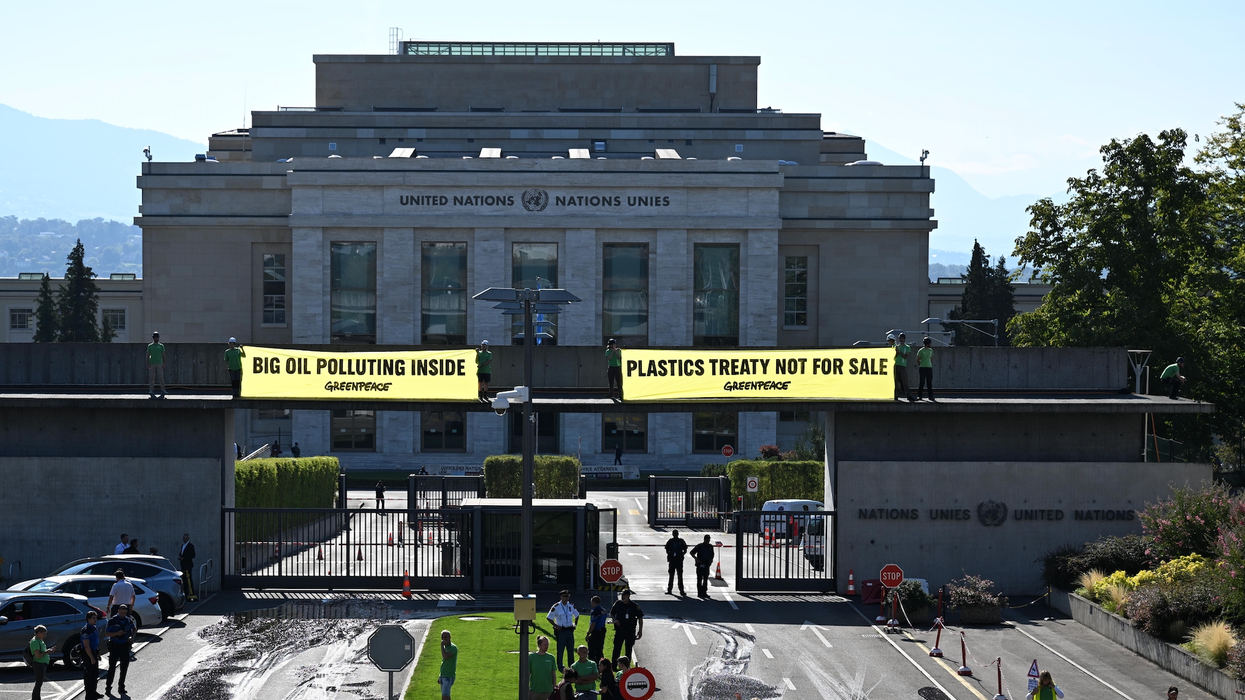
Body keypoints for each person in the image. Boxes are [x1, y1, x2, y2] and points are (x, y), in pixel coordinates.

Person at [104, 604, 135, 697]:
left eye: (124, 613)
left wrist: (132, 637)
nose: (123, 615)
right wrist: (117, 633)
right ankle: (108, 688)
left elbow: (133, 628)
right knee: (112, 668)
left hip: (125, 645)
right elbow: (107, 633)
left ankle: (121, 687)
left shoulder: (128, 620)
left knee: (124, 668)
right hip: (115, 645)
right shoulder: (113, 620)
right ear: (118, 611)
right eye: (121, 613)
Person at [546, 589, 579, 671]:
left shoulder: (571, 605)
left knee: (570, 649)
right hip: (561, 631)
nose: (567, 598)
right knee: (560, 649)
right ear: (561, 597)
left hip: (570, 630)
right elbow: (549, 617)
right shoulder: (556, 607)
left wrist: (575, 624)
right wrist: (555, 625)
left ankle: (571, 665)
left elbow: (577, 615)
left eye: (568, 596)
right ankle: (560, 666)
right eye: (565, 596)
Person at [609, 589, 643, 663]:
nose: (623, 597)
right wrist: (615, 620)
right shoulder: (618, 604)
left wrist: (640, 631)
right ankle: (614, 665)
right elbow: (612, 613)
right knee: (617, 648)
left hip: (630, 630)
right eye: (622, 595)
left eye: (624, 595)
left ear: (628, 596)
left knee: (628, 649)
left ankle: (626, 666)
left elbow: (640, 618)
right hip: (620, 629)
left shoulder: (634, 606)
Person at [29, 625, 55, 700]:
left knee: (39, 683)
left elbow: (42, 651)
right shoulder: (35, 642)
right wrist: (47, 652)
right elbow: (37, 655)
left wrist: (49, 650)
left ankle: (37, 698)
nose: (45, 635)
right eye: (44, 634)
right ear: (39, 633)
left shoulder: (39, 640)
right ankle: (35, 698)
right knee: (38, 683)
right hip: (38, 664)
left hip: (41, 663)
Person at [528, 635, 557, 700]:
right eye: (545, 645)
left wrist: (554, 688)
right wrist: (527, 689)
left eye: (547, 644)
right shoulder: (531, 657)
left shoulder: (551, 658)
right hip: (534, 691)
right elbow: (528, 673)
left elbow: (553, 675)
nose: (546, 646)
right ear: (539, 645)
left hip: (548, 691)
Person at [81, 611, 102, 699]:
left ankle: (93, 692)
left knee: (95, 674)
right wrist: (92, 658)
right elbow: (86, 646)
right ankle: (89, 695)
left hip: (94, 652)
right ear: (88, 619)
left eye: (96, 618)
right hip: (88, 654)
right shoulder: (86, 630)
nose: (95, 620)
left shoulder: (94, 628)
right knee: (89, 675)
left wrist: (97, 654)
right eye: (93, 618)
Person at [890, 332, 914, 402]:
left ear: (904, 339)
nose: (901, 339)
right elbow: (893, 356)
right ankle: (895, 396)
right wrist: (896, 352)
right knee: (895, 381)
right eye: (900, 338)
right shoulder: (896, 346)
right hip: (896, 364)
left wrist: (899, 352)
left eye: (902, 338)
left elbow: (906, 356)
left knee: (905, 381)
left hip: (903, 365)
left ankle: (909, 395)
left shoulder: (907, 347)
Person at [665, 529, 688, 595]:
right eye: (674, 534)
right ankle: (669, 590)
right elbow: (667, 549)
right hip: (672, 560)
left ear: (678, 534)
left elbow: (685, 548)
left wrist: (682, 554)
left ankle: (681, 590)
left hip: (679, 560)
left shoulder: (681, 541)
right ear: (672, 534)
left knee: (680, 576)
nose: (675, 535)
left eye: (676, 534)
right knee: (671, 576)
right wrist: (670, 554)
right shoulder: (670, 541)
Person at [586, 595, 608, 663]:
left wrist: (588, 633)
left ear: (593, 602)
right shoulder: (603, 610)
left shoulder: (595, 611)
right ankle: (602, 665)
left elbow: (593, 624)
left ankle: (592, 665)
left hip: (596, 633)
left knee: (592, 651)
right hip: (602, 631)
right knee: (599, 650)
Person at [147, 331, 168, 399]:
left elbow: (164, 355)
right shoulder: (150, 346)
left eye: (157, 337)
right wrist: (148, 363)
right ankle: (151, 390)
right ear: (153, 338)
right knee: (151, 377)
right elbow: (148, 355)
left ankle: (163, 390)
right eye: (155, 337)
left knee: (161, 377)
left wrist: (164, 363)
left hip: (159, 363)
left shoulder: (161, 346)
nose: (156, 338)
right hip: (152, 363)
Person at [438, 630, 457, 700]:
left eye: (445, 637)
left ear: (450, 637)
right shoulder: (445, 648)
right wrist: (440, 676)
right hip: (443, 675)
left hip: (448, 676)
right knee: (446, 697)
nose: (444, 639)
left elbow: (445, 657)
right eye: (442, 637)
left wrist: (441, 645)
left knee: (445, 697)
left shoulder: (453, 648)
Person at [916, 337, 936, 402]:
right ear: (927, 343)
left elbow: (932, 359)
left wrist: (928, 364)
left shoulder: (931, 350)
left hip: (929, 368)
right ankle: (919, 395)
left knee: (929, 382)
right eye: (930, 343)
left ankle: (930, 396)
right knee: (922, 382)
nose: (931, 344)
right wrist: (921, 364)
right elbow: (918, 359)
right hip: (922, 368)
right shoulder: (921, 350)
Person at [179, 533, 198, 602]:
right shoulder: (182, 545)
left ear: (188, 539)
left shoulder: (190, 546)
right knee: (184, 580)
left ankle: (191, 593)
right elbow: (181, 553)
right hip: (183, 565)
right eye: (184, 538)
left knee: (189, 579)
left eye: (186, 538)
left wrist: (184, 558)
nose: (184, 540)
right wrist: (180, 556)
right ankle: (186, 594)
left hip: (188, 565)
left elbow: (193, 555)